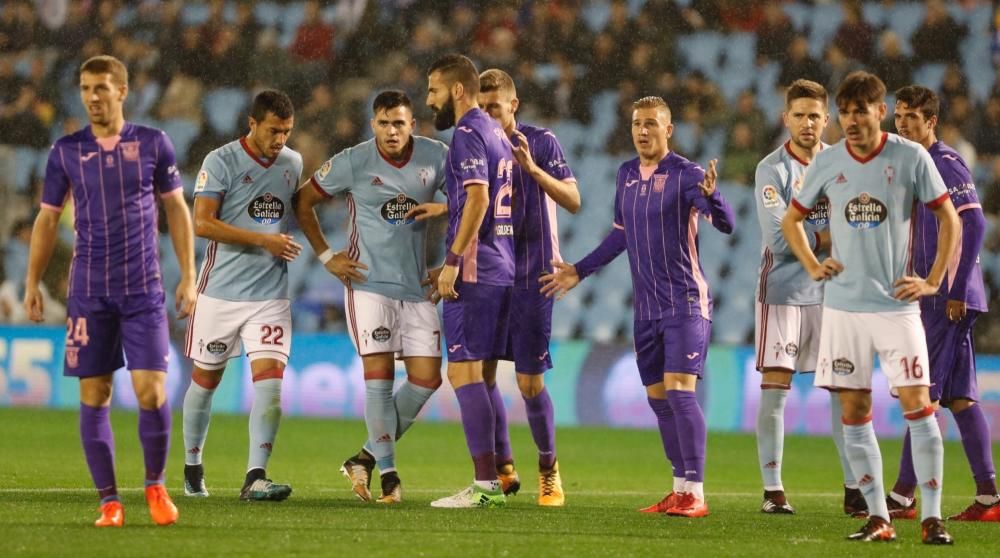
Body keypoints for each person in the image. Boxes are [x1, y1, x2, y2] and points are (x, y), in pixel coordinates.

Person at [781, 71, 959, 544]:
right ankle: (879, 517)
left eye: (862, 110)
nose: (853, 119)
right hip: (841, 309)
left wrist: (934, 280)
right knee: (854, 412)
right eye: (846, 111)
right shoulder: (829, 161)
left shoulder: (909, 156)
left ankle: (932, 517)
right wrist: (812, 263)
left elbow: (949, 217)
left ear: (882, 111)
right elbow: (791, 219)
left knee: (918, 406)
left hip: (894, 308)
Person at [541, 96, 735, 518]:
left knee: (681, 393)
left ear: (669, 129)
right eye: (636, 123)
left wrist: (714, 198)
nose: (642, 130)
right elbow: (619, 235)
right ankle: (680, 487)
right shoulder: (626, 173)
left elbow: (726, 224)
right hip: (646, 308)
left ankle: (697, 493)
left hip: (684, 301)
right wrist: (579, 270)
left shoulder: (687, 174)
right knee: (659, 398)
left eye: (650, 123)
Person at [23, 55, 196, 527]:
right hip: (89, 291)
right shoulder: (65, 151)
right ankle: (109, 502)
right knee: (94, 394)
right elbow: (46, 218)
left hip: (142, 289)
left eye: (101, 88)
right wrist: (33, 281)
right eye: (85, 88)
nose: (92, 97)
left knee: (151, 391)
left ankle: (156, 487)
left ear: (123, 91)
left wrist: (188, 274)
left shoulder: (154, 144)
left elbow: (177, 210)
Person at [292, 90, 448, 504]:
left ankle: (363, 457)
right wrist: (327, 256)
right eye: (383, 123)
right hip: (367, 285)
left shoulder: (437, 156)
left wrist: (446, 226)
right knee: (379, 384)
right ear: (373, 125)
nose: (391, 131)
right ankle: (391, 479)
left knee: (428, 378)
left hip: (417, 287)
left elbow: (472, 199)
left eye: (399, 123)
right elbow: (302, 201)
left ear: (413, 124)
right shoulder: (352, 161)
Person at [180, 90, 302, 502]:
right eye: (273, 131)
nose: (280, 140)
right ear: (252, 124)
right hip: (220, 294)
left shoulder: (292, 163)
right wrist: (262, 240)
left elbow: (299, 211)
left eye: (286, 132)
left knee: (270, 386)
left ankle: (255, 477)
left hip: (270, 295)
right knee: (206, 380)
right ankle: (193, 465)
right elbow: (203, 224)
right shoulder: (220, 161)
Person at [887, 85, 999, 522]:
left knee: (921, 395)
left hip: (944, 298)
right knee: (959, 399)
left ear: (931, 121)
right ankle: (989, 496)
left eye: (912, 117)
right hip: (938, 296)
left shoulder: (944, 163)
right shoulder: (913, 163)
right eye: (898, 116)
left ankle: (900, 496)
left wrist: (954, 289)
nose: (903, 124)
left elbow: (974, 223)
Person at [752, 79, 862, 516]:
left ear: (826, 119)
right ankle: (773, 489)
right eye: (798, 115)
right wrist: (831, 234)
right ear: (786, 119)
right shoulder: (772, 169)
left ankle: (854, 486)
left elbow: (864, 224)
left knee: (841, 389)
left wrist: (813, 233)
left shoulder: (845, 165)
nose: (807, 123)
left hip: (833, 296)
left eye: (815, 115)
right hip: (782, 291)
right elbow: (779, 241)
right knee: (776, 390)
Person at [478, 68, 580, 506]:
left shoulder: (541, 141)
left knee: (529, 384)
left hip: (533, 275)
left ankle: (548, 469)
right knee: (478, 375)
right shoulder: (473, 145)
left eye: (494, 108)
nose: (486, 115)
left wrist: (532, 169)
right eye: (480, 108)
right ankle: (503, 468)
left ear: (513, 106)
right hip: (488, 274)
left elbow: (574, 201)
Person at [423, 54, 515, 509]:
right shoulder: (497, 131)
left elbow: (477, 199)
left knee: (462, 372)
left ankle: (485, 486)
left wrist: (453, 261)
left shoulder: (466, 133)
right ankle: (498, 474)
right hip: (500, 266)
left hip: (476, 270)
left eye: (434, 90)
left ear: (458, 90)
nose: (429, 100)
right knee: (477, 373)